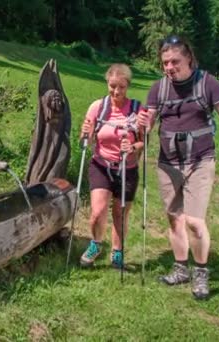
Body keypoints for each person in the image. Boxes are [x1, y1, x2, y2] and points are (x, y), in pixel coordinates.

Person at [138, 35, 219, 299]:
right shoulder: (158, 89)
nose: (169, 67)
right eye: (165, 63)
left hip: (200, 161)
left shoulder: (207, 83)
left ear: (189, 59)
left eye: (175, 61)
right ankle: (181, 268)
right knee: (175, 219)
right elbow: (148, 124)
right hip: (168, 163)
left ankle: (201, 272)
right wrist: (142, 124)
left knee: (195, 221)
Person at [79, 63, 145, 269]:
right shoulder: (98, 107)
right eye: (112, 86)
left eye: (121, 87)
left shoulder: (137, 110)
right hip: (101, 165)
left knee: (120, 213)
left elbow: (144, 143)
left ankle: (117, 251)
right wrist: (85, 133)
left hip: (127, 169)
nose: (116, 91)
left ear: (128, 86)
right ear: (107, 83)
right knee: (97, 212)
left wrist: (133, 147)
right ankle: (96, 244)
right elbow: (85, 141)